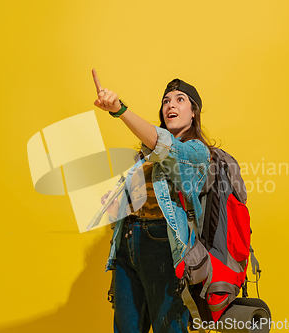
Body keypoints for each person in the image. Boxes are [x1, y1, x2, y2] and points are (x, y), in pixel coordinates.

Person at [92, 69, 213, 333]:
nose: (170, 104)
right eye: (166, 100)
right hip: (127, 242)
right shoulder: (144, 156)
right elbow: (138, 197)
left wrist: (119, 109)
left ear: (194, 112)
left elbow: (165, 146)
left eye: (180, 99)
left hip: (164, 246)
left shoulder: (195, 151)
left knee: (169, 327)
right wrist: (117, 204)